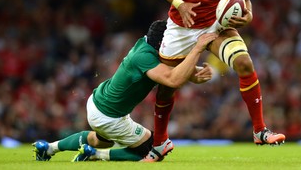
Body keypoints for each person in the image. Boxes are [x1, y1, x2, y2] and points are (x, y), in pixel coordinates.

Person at [143, 0, 286, 162]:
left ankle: (260, 130)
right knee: (168, 86)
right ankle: (159, 144)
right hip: (181, 28)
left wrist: (248, 16)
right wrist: (180, 4)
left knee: (244, 63)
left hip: (216, 26)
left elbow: (246, 2)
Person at [32, 20, 217, 162]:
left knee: (99, 139)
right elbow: (172, 78)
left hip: (99, 102)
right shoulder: (145, 58)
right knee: (153, 148)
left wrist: (194, 72)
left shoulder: (144, 45)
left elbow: (171, 67)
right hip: (109, 116)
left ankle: (48, 148)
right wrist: (198, 48)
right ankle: (95, 155)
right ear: (163, 42)